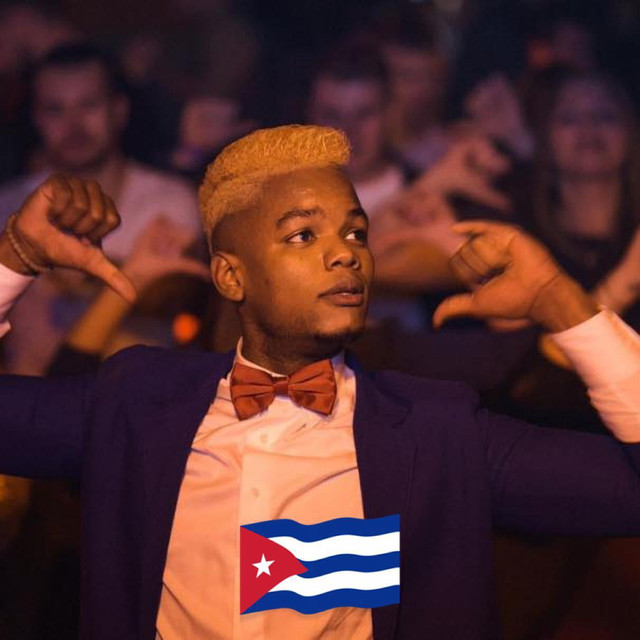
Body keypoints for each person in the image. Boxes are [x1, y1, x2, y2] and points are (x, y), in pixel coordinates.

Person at [0, 126, 639, 640]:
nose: (346, 253)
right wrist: (16, 259)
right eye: (303, 234)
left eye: (356, 232)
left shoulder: (437, 430)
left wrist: (563, 304)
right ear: (230, 276)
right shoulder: (137, 399)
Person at [0, 42, 201, 374]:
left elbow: (180, 301)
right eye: (55, 110)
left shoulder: (169, 201)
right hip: (32, 396)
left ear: (119, 111)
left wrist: (58, 275)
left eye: (88, 105)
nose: (73, 124)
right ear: (36, 119)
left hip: (136, 395)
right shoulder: (8, 205)